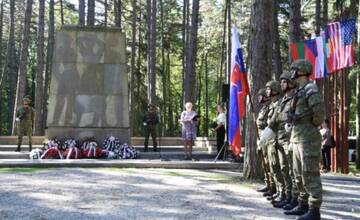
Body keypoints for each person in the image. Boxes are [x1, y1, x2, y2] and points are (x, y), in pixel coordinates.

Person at [284, 59, 325, 220]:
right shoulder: (300, 91)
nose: (291, 73)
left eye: (293, 70)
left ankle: (314, 210)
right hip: (297, 137)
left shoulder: (310, 89)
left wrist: (309, 124)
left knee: (310, 174)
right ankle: (303, 205)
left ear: (300, 71)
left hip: (308, 139)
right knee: (298, 174)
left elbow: (319, 114)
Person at [268, 72, 297, 209]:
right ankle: (286, 195)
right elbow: (275, 119)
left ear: (291, 83)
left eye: (284, 82)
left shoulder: (295, 98)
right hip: (280, 140)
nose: (281, 84)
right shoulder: (284, 100)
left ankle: (294, 197)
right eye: (281, 82)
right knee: (284, 168)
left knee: (292, 170)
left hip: (290, 140)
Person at [256, 88, 274, 194]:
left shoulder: (268, 108)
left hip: (267, 136)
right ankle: (268, 183)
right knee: (264, 162)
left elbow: (268, 123)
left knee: (269, 162)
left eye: (261, 96)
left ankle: (272, 185)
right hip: (261, 136)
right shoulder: (263, 109)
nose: (259, 98)